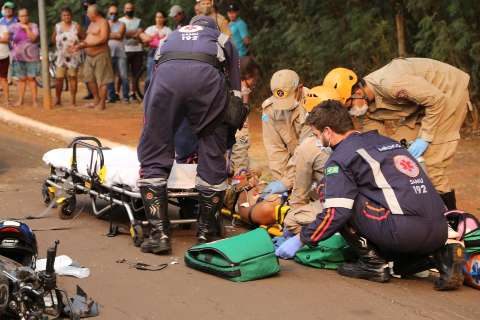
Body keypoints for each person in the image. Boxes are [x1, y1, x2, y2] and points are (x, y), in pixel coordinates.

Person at [276, 100, 465, 291]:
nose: (318, 141)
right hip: (439, 228)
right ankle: (440, 255)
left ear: (327, 131)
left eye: (317, 135)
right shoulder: (386, 141)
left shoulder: (340, 158)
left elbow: (337, 213)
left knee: (334, 195)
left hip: (404, 232)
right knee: (400, 267)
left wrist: (301, 239)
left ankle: (372, 264)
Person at [137, 15, 240, 254]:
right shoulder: (223, 39)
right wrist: (226, 133)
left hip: (165, 83)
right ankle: (206, 233)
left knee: (154, 152)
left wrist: (154, 127)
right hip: (206, 83)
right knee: (212, 152)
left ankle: (159, 235)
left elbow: (153, 82)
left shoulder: (167, 38)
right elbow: (235, 92)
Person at [323, 58, 471, 210]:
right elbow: (372, 133)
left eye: (349, 106)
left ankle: (452, 220)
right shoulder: (365, 101)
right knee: (398, 150)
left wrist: (425, 137)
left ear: (358, 92)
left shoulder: (392, 85)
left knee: (431, 164)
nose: (350, 112)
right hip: (424, 102)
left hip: (448, 93)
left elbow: (437, 100)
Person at [282, 86, 341, 235]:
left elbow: (299, 193)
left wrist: (293, 229)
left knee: (291, 218)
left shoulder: (310, 145)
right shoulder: (356, 137)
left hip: (334, 206)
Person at [260, 69, 310, 199]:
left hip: (314, 162)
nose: (285, 108)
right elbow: (275, 149)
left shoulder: (314, 103)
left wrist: (287, 182)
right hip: (293, 165)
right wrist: (281, 183)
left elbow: (308, 152)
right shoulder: (269, 109)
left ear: (300, 88)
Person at [73, 4, 114, 110]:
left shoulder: (103, 22)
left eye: (88, 12)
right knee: (89, 78)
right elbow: (87, 38)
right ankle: (96, 100)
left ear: (94, 13)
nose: (87, 14)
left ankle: (102, 104)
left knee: (102, 81)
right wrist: (79, 45)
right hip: (89, 56)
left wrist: (87, 45)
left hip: (101, 55)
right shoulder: (91, 23)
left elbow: (103, 39)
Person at [230, 56, 260, 174]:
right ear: (247, 75)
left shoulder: (233, 84)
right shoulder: (242, 90)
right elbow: (242, 126)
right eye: (255, 78)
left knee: (255, 168)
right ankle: (237, 180)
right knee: (249, 170)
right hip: (237, 138)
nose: (255, 81)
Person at [52, 7, 83, 107]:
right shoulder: (57, 26)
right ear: (61, 16)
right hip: (61, 56)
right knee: (59, 78)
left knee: (72, 77)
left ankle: (73, 100)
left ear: (71, 15)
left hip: (73, 56)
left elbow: (84, 38)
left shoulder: (76, 26)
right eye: (64, 15)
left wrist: (76, 46)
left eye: (68, 15)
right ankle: (58, 99)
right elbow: (53, 39)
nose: (66, 17)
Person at [10, 8, 40, 107]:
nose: (24, 17)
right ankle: (20, 100)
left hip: (31, 57)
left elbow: (33, 38)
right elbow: (7, 37)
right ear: (18, 17)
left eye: (26, 15)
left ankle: (35, 101)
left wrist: (26, 28)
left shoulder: (34, 26)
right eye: (22, 16)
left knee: (31, 78)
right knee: (21, 79)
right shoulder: (14, 27)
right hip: (18, 57)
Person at [140, 11, 171, 91]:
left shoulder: (168, 30)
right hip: (152, 52)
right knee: (150, 77)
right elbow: (144, 41)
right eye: (157, 17)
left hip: (164, 54)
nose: (159, 19)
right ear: (155, 18)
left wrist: (153, 39)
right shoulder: (150, 29)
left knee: (163, 76)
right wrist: (154, 38)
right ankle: (147, 96)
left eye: (161, 17)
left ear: (164, 19)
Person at [119, 2, 143, 102]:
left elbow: (141, 32)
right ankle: (118, 93)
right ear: (124, 10)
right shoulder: (120, 20)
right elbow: (122, 33)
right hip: (124, 50)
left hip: (137, 50)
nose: (129, 10)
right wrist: (134, 33)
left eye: (131, 8)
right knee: (122, 74)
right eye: (127, 8)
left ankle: (132, 93)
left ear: (134, 9)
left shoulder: (139, 21)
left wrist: (127, 33)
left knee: (135, 74)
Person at [106, 4, 128, 103]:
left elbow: (119, 36)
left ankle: (126, 96)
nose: (113, 15)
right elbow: (104, 35)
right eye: (111, 13)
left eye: (115, 13)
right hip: (109, 53)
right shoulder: (105, 23)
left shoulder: (122, 24)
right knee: (109, 75)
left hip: (121, 53)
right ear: (108, 13)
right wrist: (112, 34)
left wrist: (109, 34)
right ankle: (111, 97)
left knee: (123, 75)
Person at [0, 16, 9, 106]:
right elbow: (3, 39)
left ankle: (6, 99)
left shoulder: (4, 27)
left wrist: (3, 39)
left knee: (3, 79)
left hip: (3, 56)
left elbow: (6, 39)